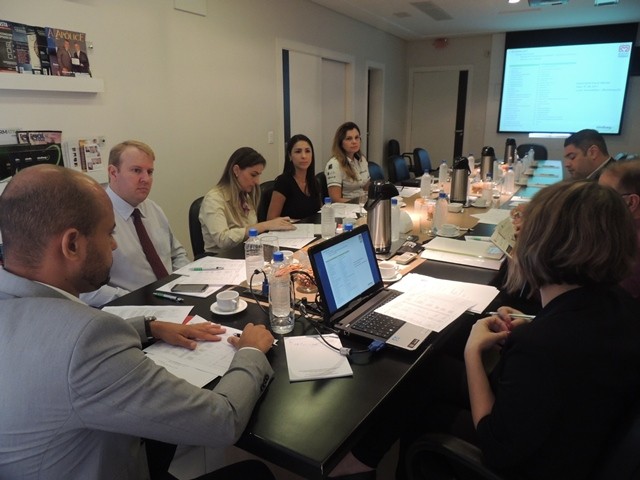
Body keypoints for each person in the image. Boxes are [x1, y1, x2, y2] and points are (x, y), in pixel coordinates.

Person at [331, 180, 640, 480]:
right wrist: (535, 321)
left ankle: (375, 463)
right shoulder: (619, 304)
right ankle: (363, 458)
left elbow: (495, 446)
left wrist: (473, 352)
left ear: (544, 246)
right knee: (431, 370)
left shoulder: (542, 346)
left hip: (533, 460)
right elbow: (570, 342)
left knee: (427, 412)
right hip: (575, 432)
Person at [0, 164, 276, 480]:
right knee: (256, 473)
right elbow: (222, 421)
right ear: (72, 245)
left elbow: (46, 348)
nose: (114, 245)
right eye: (109, 233)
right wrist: (251, 352)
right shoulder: (86, 340)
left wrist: (148, 327)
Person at [81, 140, 190, 307]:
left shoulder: (153, 208)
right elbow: (85, 291)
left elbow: (178, 254)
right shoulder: (92, 216)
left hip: (174, 299)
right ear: (113, 172)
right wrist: (136, 299)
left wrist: (179, 284)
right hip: (130, 309)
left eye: (150, 172)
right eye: (136, 170)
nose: (146, 179)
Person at [199, 147, 294, 256]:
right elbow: (222, 240)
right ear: (236, 170)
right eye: (253, 175)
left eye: (258, 175)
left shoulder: (244, 195)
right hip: (220, 258)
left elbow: (251, 231)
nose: (257, 181)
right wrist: (264, 225)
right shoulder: (213, 199)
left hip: (246, 253)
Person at [598, 158, 640, 298]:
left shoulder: (629, 245)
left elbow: (616, 300)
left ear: (631, 202)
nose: (594, 201)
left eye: (603, 195)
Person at [267, 134, 321, 220]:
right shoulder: (283, 182)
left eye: (307, 151)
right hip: (290, 228)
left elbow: (318, 212)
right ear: (290, 156)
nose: (304, 156)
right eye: (298, 152)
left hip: (313, 228)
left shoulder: (314, 181)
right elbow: (271, 219)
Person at [325, 122, 370, 202]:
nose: (354, 141)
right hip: (348, 206)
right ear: (340, 143)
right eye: (349, 138)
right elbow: (335, 199)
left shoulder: (362, 159)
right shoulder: (334, 164)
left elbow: (366, 187)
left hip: (363, 203)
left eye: (357, 137)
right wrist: (359, 203)